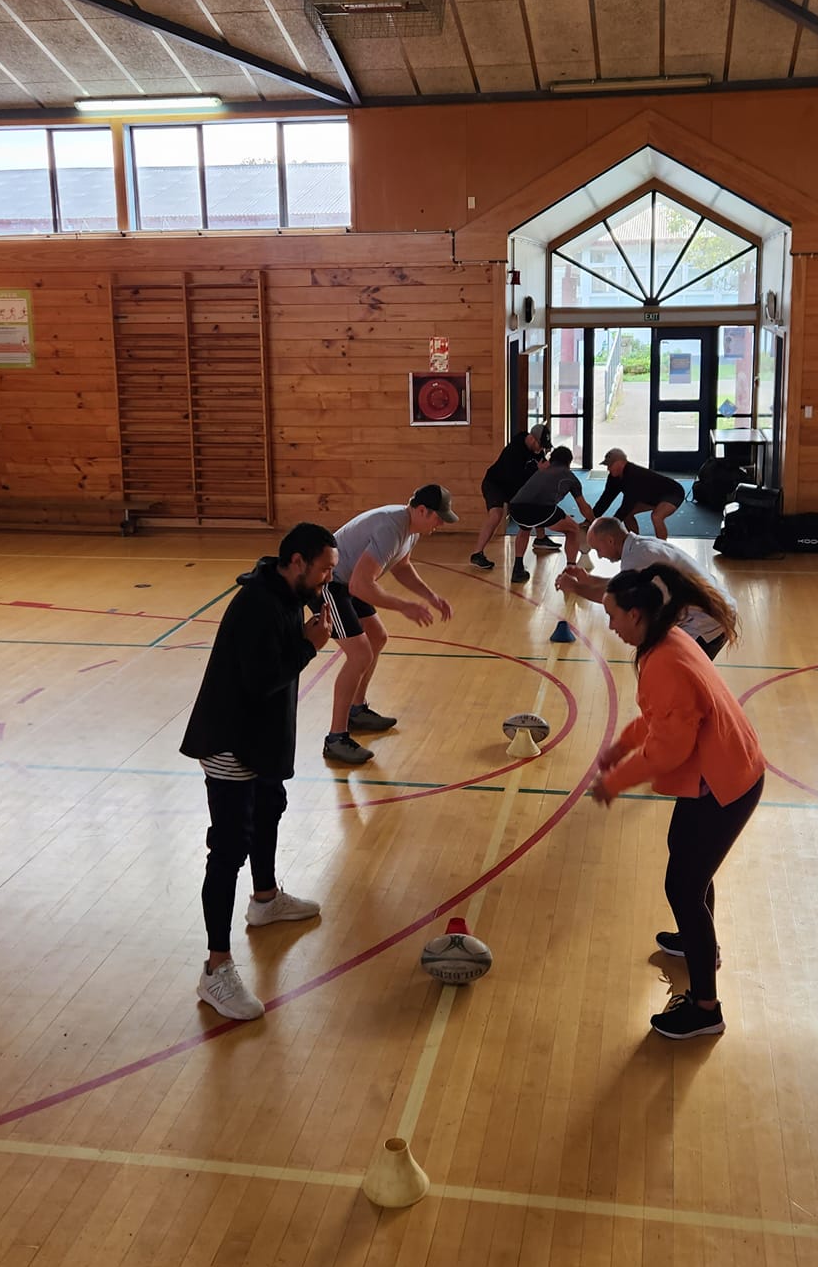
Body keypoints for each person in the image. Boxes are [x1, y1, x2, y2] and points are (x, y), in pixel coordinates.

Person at [589, 564, 765, 1041]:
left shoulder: (665, 660)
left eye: (612, 614)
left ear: (636, 614)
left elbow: (669, 750)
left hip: (726, 783)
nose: (609, 624)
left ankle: (706, 1009)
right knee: (687, 867)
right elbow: (659, 718)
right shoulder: (666, 641)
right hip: (725, 773)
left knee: (684, 886)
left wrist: (616, 780)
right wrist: (622, 747)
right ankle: (698, 943)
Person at [181, 521, 338, 1023]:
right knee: (229, 848)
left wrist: (316, 626)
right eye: (324, 570)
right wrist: (310, 645)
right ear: (297, 562)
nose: (328, 580)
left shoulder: (288, 593)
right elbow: (261, 680)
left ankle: (266, 899)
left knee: (270, 805)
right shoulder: (257, 605)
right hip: (231, 740)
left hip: (261, 737)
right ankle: (216, 967)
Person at [322, 484, 456, 765]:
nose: (441, 524)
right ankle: (335, 738)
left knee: (377, 637)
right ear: (422, 510)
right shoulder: (390, 527)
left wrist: (431, 597)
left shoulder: (410, 529)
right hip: (327, 583)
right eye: (438, 517)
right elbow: (360, 585)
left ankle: (357, 711)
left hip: (348, 582)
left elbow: (402, 567)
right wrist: (404, 606)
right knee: (359, 654)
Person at [557, 516, 738, 659]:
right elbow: (622, 585)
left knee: (675, 677)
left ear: (610, 540)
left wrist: (574, 587)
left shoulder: (639, 556)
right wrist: (588, 579)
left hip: (706, 621)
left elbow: (616, 598)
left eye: (598, 549)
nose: (600, 556)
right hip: (717, 609)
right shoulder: (639, 545)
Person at [506, 446, 596, 584]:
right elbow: (584, 508)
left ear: (552, 460)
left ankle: (517, 570)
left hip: (515, 508)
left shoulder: (541, 471)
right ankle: (570, 571)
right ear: (569, 462)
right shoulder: (570, 477)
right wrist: (594, 522)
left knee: (524, 528)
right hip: (541, 510)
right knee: (573, 529)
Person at [471, 423, 551, 569]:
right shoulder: (514, 451)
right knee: (496, 514)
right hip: (495, 484)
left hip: (513, 486)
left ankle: (541, 538)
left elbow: (540, 467)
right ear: (532, 439)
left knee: (537, 500)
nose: (542, 449)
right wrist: (537, 470)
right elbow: (516, 478)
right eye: (541, 445)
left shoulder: (537, 451)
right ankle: (477, 553)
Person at [592, 449, 685, 539]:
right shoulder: (613, 478)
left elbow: (626, 506)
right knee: (627, 514)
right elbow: (605, 500)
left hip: (673, 493)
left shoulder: (633, 475)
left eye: (610, 465)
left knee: (656, 516)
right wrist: (590, 520)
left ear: (620, 463)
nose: (608, 469)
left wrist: (610, 529)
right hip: (652, 497)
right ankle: (636, 542)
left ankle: (662, 546)